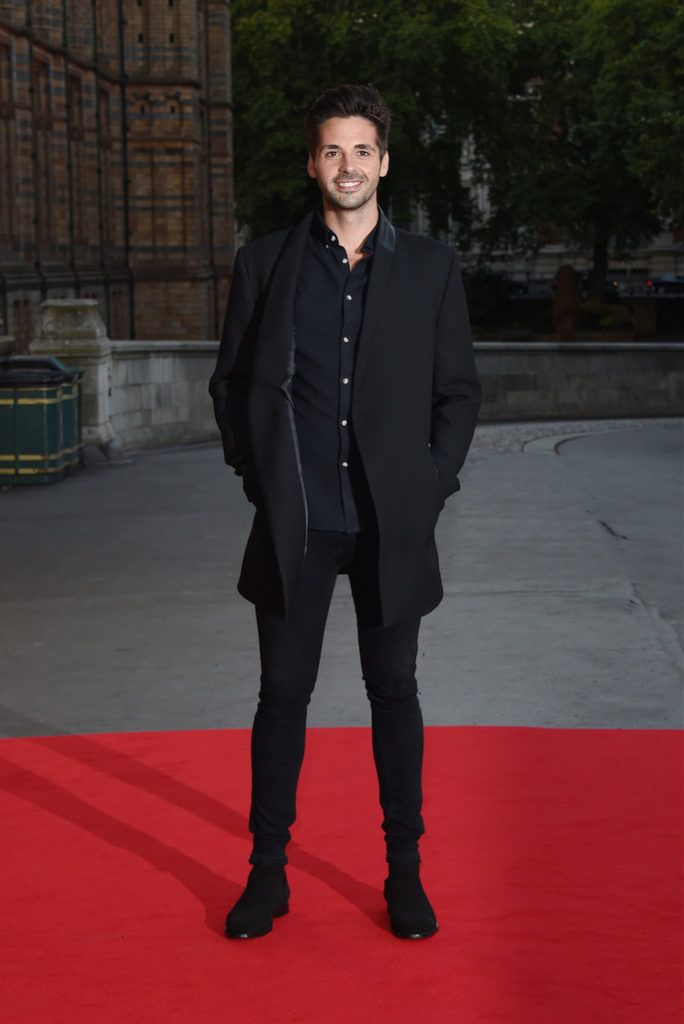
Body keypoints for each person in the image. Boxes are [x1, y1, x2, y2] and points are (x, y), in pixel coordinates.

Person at [209, 83, 482, 941]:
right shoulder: (266, 264)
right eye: (333, 150)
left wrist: (429, 486)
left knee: (393, 692)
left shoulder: (433, 267)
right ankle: (267, 875)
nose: (349, 165)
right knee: (281, 695)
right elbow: (230, 387)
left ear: (385, 162)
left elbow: (458, 394)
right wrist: (261, 480)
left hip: (389, 525)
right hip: (299, 524)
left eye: (363, 150)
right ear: (313, 163)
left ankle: (405, 873)